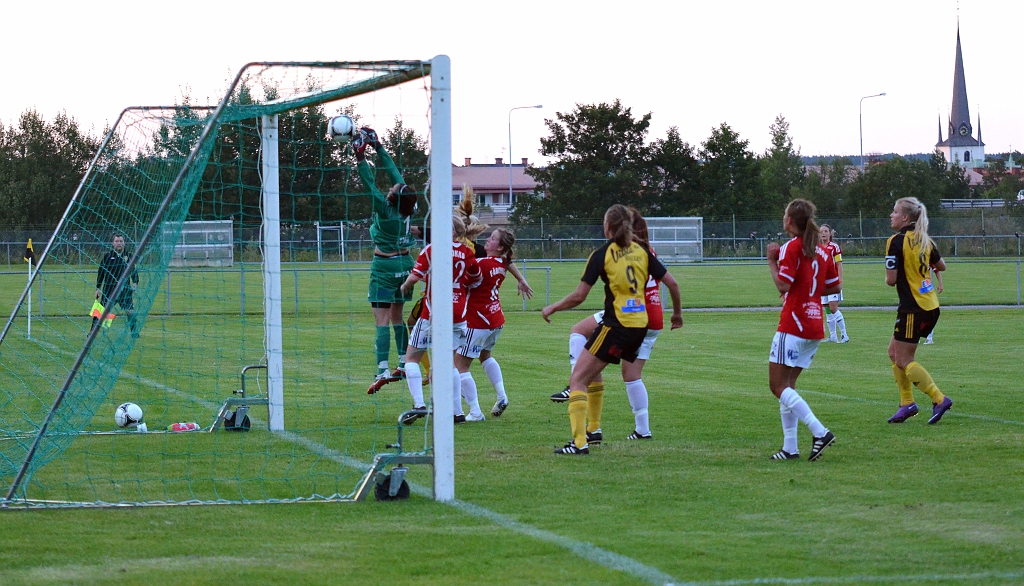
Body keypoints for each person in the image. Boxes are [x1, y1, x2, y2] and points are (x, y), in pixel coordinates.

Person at [542, 205, 680, 455]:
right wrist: (677, 314)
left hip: (617, 325)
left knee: (577, 379)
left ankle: (579, 443)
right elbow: (672, 284)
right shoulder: (642, 251)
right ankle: (594, 429)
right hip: (640, 327)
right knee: (596, 370)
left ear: (607, 227)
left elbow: (579, 296)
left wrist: (553, 307)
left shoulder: (602, 254)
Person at [765, 199, 840, 461]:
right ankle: (790, 448)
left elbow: (783, 285)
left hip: (793, 324)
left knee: (777, 386)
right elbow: (835, 285)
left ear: (789, 221)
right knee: (789, 386)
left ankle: (820, 432)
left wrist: (771, 261)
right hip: (814, 324)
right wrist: (811, 290)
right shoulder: (822, 250)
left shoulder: (792, 247)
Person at [397, 215, 482, 425]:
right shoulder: (466, 252)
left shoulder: (432, 250)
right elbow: (476, 278)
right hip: (458, 313)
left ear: (451, 230)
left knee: (411, 358)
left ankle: (419, 405)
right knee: (450, 363)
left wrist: (404, 286)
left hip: (434, 313)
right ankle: (457, 412)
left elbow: (415, 276)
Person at [353, 127, 420, 391]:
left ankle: (382, 369)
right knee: (397, 317)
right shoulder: (410, 206)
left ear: (393, 196)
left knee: (381, 319)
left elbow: (369, 184)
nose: (393, 184)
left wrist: (361, 157)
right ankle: (403, 363)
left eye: (394, 188)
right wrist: (378, 147)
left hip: (384, 267)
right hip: (405, 267)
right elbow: (395, 175)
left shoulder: (385, 210)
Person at [884, 197, 952, 424]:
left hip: (913, 308)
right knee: (893, 353)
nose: (891, 215)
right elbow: (941, 266)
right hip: (929, 304)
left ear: (905, 217)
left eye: (895, 212)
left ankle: (939, 399)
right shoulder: (925, 240)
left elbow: (891, 280)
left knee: (904, 359)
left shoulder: (895, 241)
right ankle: (907, 404)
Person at [456, 228, 522, 420]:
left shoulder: (482, 264)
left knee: (459, 366)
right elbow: (508, 262)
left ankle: (475, 411)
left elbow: (461, 276)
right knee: (485, 356)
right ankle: (502, 396)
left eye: (492, 238)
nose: (487, 239)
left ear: (500, 247)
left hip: (478, 321)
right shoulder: (502, 263)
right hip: (495, 319)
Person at [94, 233, 139, 337]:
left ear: (124, 243)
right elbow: (101, 273)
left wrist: (135, 282)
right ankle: (93, 332)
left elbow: (133, 271)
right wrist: (98, 288)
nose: (119, 243)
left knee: (130, 311)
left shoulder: (129, 256)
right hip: (109, 290)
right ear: (113, 243)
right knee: (100, 311)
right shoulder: (107, 257)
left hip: (125, 290)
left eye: (121, 241)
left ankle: (134, 333)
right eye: (117, 241)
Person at [819, 224, 848, 343]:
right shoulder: (818, 248)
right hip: (823, 283)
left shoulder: (834, 247)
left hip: (833, 282)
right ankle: (832, 336)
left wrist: (839, 280)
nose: (823, 233)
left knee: (833, 306)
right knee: (826, 307)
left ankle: (844, 335)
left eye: (826, 231)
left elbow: (839, 263)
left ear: (830, 233)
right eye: (821, 231)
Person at [922, 267, 943, 344]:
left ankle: (929, 337)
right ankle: (916, 337)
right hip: (915, 287)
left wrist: (940, 284)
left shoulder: (928, 260)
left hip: (926, 287)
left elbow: (937, 270)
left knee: (928, 312)